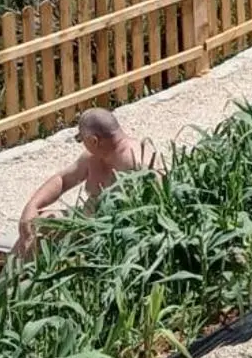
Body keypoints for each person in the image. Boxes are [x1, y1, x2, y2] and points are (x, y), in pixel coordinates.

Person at [14, 108, 156, 256]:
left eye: (80, 139)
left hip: (115, 234)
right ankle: (11, 275)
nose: (81, 144)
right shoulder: (94, 157)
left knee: (43, 230)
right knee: (37, 224)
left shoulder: (138, 162)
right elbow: (62, 180)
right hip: (87, 220)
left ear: (93, 140)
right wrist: (33, 205)